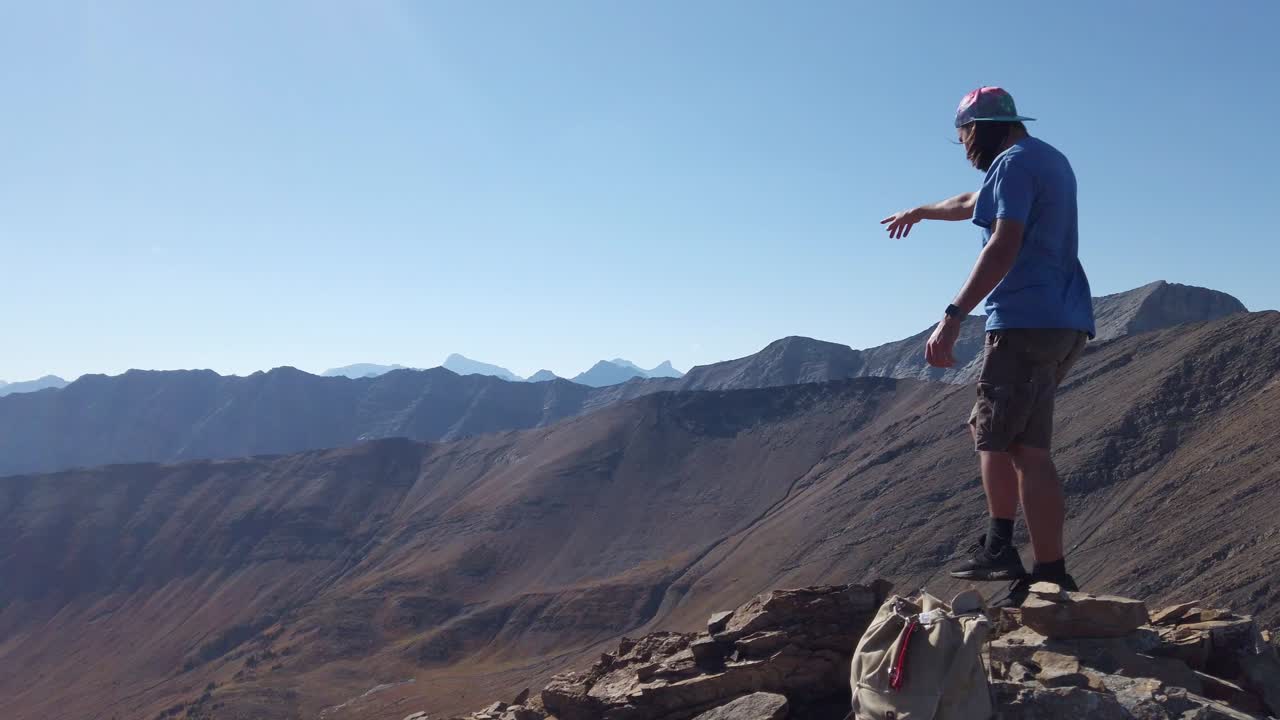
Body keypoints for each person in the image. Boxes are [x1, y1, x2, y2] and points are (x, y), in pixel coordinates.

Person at [880, 87, 1096, 607]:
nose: (962, 146)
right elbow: (967, 203)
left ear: (977, 127)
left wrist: (952, 317)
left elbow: (1003, 242)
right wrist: (921, 211)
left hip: (1023, 319)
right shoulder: (1046, 160)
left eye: (962, 136)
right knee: (1024, 447)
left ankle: (1001, 547)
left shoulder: (1012, 165)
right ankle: (1050, 573)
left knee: (994, 438)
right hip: (1064, 322)